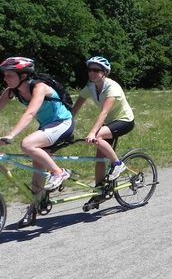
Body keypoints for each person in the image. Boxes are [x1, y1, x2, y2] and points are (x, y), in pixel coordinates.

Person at [0, 57, 74, 228]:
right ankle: (33, 209)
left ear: (24, 75)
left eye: (9, 75)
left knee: (27, 144)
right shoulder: (12, 90)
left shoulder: (39, 87)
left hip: (63, 123)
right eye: (4, 75)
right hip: (47, 126)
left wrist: (11, 135)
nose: (5, 78)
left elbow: (30, 113)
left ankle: (59, 172)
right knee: (37, 172)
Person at [71, 57, 135, 207]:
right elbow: (75, 108)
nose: (92, 73)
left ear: (105, 72)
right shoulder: (90, 87)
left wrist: (93, 132)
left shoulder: (112, 87)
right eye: (90, 70)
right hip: (110, 123)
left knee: (98, 136)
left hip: (124, 121)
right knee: (99, 158)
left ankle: (117, 164)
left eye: (96, 70)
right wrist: (66, 125)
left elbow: (104, 113)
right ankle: (99, 191)